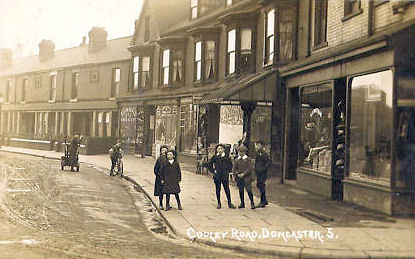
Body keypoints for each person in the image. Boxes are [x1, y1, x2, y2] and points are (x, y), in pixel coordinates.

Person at [208, 144, 236, 209]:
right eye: (218, 149)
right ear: (217, 150)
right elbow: (209, 164)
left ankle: (229, 203)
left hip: (224, 175)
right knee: (218, 189)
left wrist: (227, 171)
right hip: (217, 175)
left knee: (227, 189)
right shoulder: (215, 157)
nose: (220, 150)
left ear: (223, 149)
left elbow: (230, 165)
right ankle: (219, 203)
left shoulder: (226, 157)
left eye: (221, 148)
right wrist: (213, 171)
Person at [254, 140, 269, 208]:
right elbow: (256, 162)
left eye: (259, 145)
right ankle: (264, 200)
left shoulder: (264, 153)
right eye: (257, 145)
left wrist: (263, 169)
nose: (257, 146)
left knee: (261, 185)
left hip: (263, 172)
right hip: (258, 171)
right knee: (259, 185)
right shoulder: (257, 153)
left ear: (262, 146)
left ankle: (262, 201)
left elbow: (267, 163)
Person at [154, 145, 168, 210]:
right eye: (162, 150)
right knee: (161, 192)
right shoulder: (159, 159)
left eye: (165, 150)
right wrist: (158, 176)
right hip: (160, 178)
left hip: (167, 178)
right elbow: (155, 169)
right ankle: (160, 204)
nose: (164, 152)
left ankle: (167, 204)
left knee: (168, 191)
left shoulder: (169, 159)